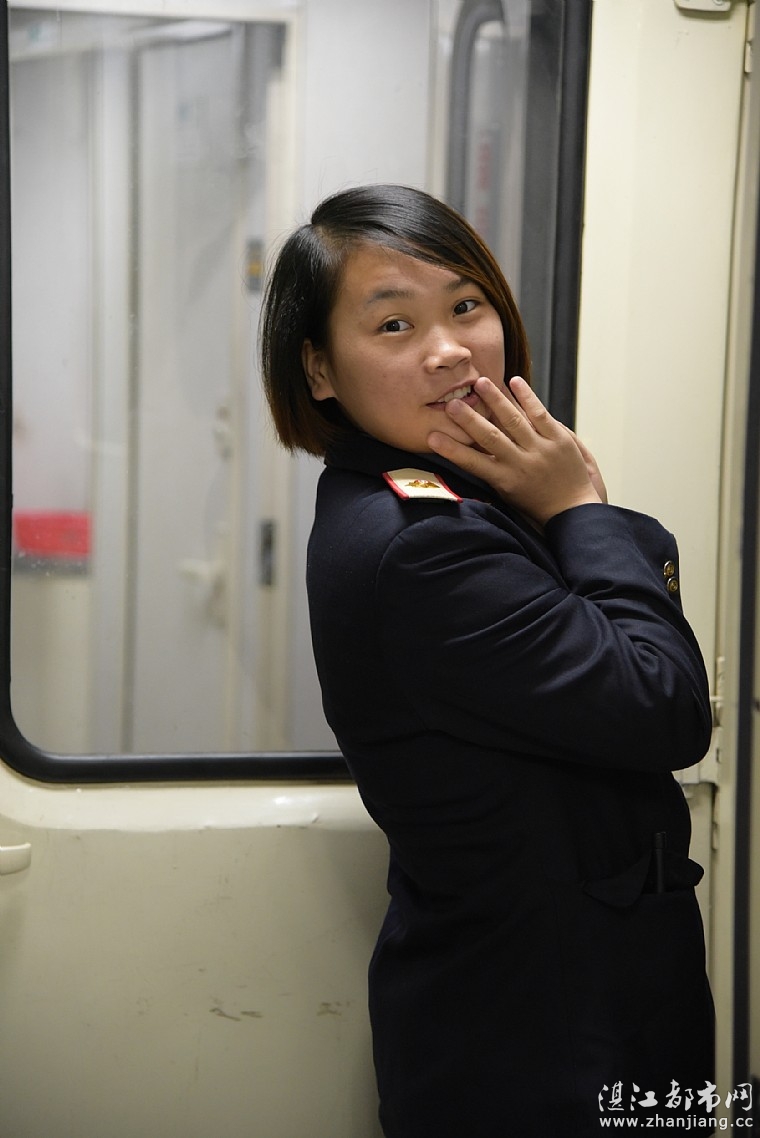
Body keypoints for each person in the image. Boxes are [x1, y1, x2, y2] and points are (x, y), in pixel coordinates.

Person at [260, 184, 714, 1136]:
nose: (450, 349)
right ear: (320, 369)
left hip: (569, 1004)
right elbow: (663, 703)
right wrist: (579, 508)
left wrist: (568, 511)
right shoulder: (422, 542)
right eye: (395, 324)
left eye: (466, 306)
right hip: (542, 1046)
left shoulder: (444, 500)